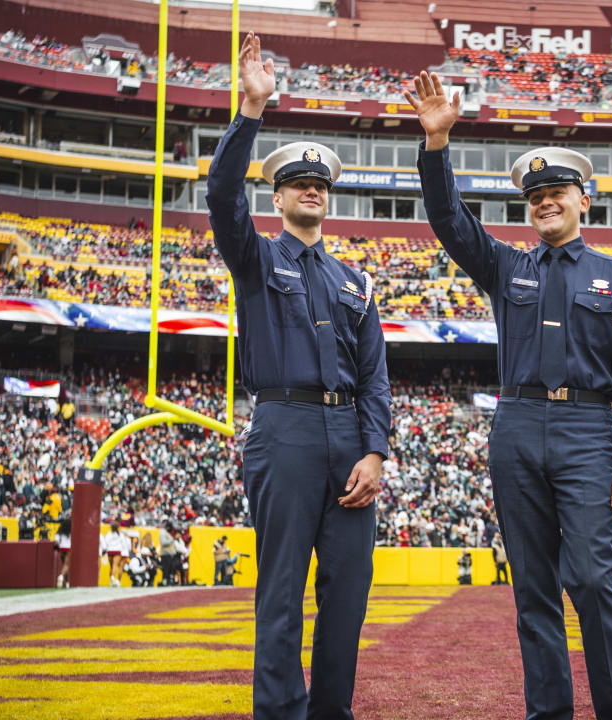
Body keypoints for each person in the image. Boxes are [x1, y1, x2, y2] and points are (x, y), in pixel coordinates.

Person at [407, 70, 612, 720]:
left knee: (593, 581)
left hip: (586, 431)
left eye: (558, 191)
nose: (546, 201)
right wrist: (437, 145)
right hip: (516, 426)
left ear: (584, 200)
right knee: (534, 592)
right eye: (536, 194)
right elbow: (448, 221)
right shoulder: (507, 267)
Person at [206, 33, 391, 720]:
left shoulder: (355, 281)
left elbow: (375, 376)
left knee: (348, 593)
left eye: (320, 184)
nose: (311, 189)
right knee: (280, 589)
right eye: (297, 184)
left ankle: (330, 714)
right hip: (282, 427)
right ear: (278, 198)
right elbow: (222, 195)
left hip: (349, 438)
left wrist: (375, 450)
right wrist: (251, 109)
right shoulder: (254, 257)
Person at [102, 522, 126, 587]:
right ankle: (113, 577)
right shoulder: (120, 534)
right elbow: (123, 543)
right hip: (117, 551)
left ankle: (111, 580)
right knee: (115, 565)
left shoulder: (109, 534)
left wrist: (106, 549)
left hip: (110, 551)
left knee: (111, 566)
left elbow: (106, 542)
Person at [55, 519, 72, 588]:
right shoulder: (71, 531)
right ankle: (61, 576)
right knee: (66, 565)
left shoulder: (60, 531)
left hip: (61, 549)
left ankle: (67, 583)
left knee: (64, 566)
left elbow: (56, 540)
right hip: (69, 549)